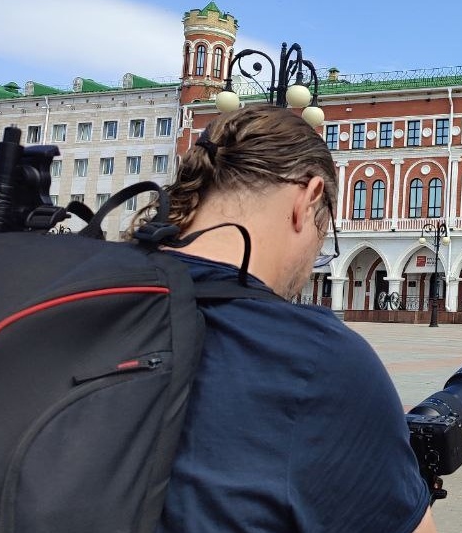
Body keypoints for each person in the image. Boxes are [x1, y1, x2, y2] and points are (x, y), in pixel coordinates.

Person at [155, 105, 435, 533]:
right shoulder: (318, 357)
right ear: (308, 199)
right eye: (326, 233)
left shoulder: (84, 292)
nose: (312, 264)